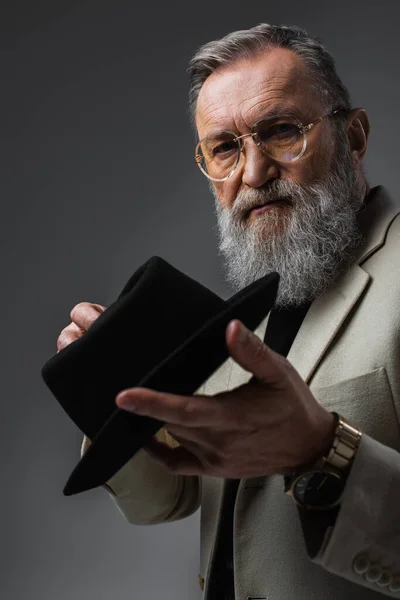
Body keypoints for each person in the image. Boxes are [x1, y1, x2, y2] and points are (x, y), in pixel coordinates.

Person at [57, 24, 400, 600]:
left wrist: (323, 450)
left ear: (355, 136)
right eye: (225, 148)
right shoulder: (251, 312)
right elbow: (164, 500)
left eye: (282, 132)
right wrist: (117, 406)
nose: (253, 173)